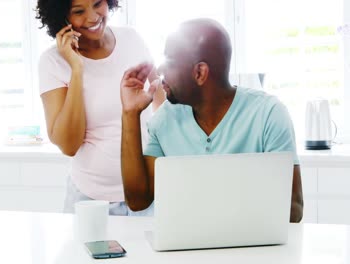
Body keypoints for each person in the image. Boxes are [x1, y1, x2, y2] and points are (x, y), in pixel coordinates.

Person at [120, 18, 304, 222]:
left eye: (169, 61)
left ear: (200, 73)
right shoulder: (164, 119)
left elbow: (293, 209)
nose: (160, 69)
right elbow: (138, 201)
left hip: (251, 251)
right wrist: (130, 113)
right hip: (186, 249)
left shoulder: (269, 114)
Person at [35, 0, 164, 215]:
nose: (93, 17)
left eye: (97, 4)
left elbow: (161, 101)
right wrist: (77, 69)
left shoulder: (131, 39)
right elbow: (69, 145)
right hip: (91, 200)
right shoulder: (53, 62)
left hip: (147, 193)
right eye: (78, 11)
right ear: (61, 16)